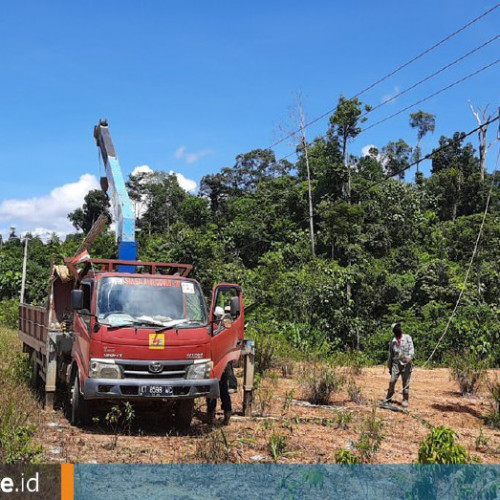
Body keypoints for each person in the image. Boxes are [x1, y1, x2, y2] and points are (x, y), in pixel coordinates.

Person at [384, 322, 414, 407]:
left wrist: (410, 357)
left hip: (406, 364)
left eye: (398, 327)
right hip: (396, 364)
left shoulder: (407, 337)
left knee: (406, 382)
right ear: (394, 331)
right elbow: (391, 355)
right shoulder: (393, 341)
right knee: (392, 381)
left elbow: (411, 348)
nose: (398, 329)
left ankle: (405, 399)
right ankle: (389, 396)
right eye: (396, 328)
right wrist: (389, 367)